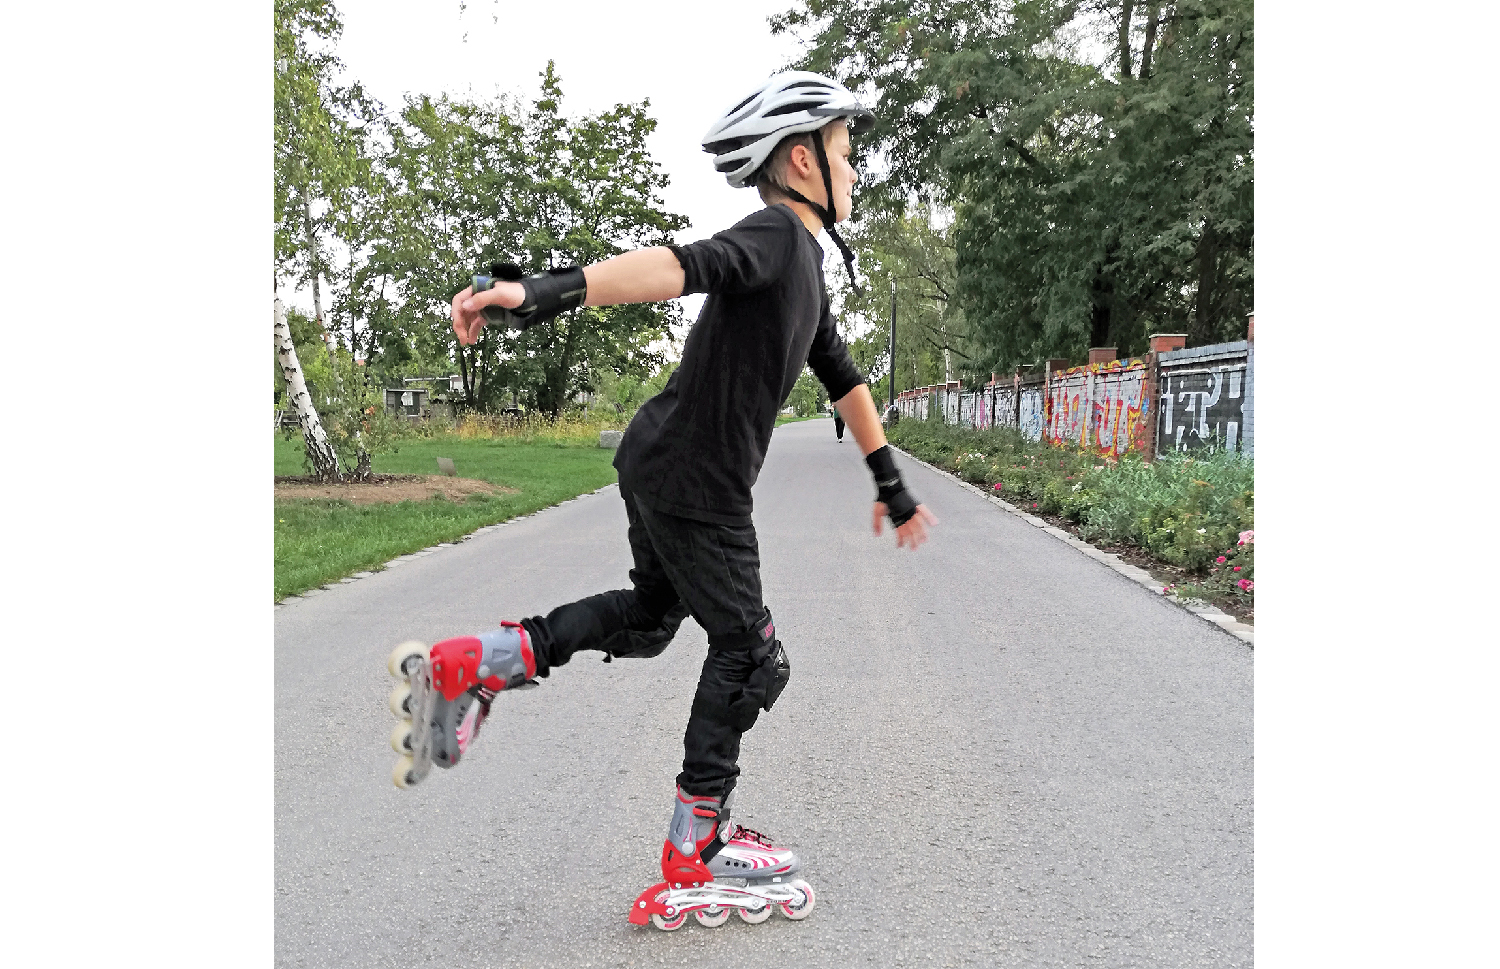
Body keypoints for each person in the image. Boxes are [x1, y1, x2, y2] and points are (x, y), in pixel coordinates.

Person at [404, 71, 938, 928]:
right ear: (803, 161)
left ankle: (483, 661)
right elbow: (678, 267)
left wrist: (892, 482)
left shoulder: (803, 266)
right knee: (754, 655)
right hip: (695, 485)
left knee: (654, 618)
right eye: (846, 150)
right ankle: (695, 844)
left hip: (661, 463)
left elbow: (845, 378)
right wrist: (539, 291)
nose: (856, 168)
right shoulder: (772, 237)